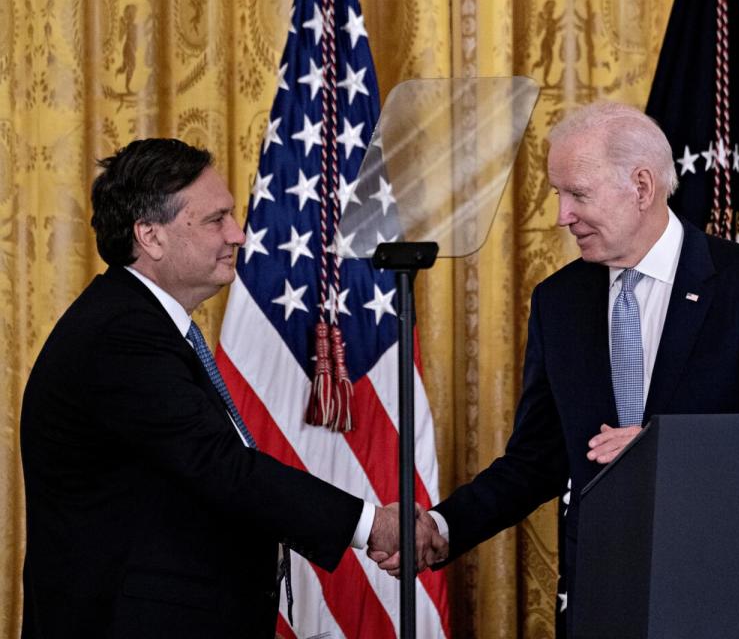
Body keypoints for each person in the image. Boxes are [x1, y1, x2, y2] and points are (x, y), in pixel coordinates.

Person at [374, 102, 739, 622]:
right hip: (600, 594)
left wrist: (667, 450)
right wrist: (441, 526)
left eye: (578, 194)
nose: (562, 215)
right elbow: (536, 460)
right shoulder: (558, 301)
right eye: (559, 195)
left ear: (642, 186)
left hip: (720, 587)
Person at [19, 139, 443, 638]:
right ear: (150, 236)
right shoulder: (121, 334)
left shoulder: (140, 322)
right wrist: (373, 525)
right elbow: (222, 466)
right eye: (216, 220)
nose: (238, 235)